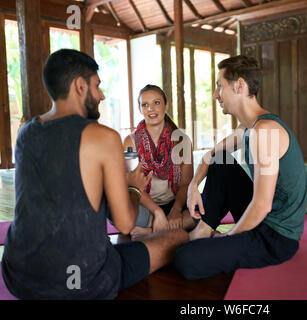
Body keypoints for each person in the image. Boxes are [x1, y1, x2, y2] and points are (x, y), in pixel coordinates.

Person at [1, 49, 189, 299]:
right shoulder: (104, 137)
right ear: (80, 86)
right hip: (85, 282)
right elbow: (124, 223)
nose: (101, 95)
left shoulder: (26, 133)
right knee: (178, 236)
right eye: (97, 86)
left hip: (18, 275)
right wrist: (132, 186)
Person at [173, 55, 307, 280]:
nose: (215, 94)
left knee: (184, 259)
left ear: (239, 85)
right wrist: (193, 186)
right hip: (262, 218)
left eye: (219, 86)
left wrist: (229, 239)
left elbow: (262, 205)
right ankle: (204, 230)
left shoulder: (265, 131)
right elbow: (211, 155)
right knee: (221, 161)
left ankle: (210, 237)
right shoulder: (250, 127)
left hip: (276, 237)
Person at [123, 85, 195, 241]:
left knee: (205, 208)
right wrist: (157, 212)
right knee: (118, 210)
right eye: (145, 104)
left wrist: (175, 211)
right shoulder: (130, 142)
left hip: (175, 203)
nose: (151, 108)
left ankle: (151, 231)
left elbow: (186, 184)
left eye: (156, 102)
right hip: (145, 208)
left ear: (166, 105)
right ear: (140, 109)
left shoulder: (182, 140)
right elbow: (132, 185)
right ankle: (165, 225)